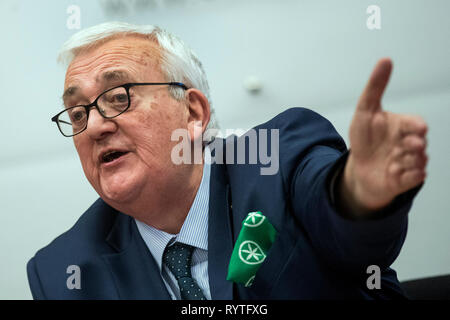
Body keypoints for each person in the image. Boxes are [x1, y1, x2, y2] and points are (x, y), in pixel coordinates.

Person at [27, 22, 428, 300]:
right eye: (78, 114)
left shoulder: (278, 161)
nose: (94, 125)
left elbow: (343, 217)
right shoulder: (64, 271)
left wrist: (360, 190)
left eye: (118, 97)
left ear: (193, 114)